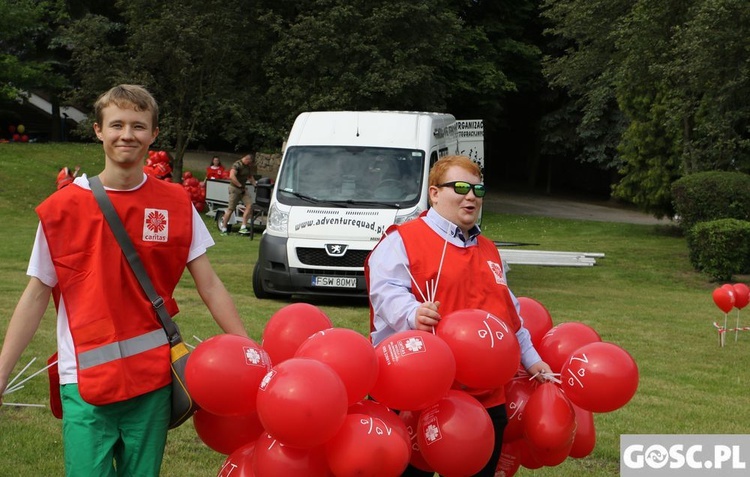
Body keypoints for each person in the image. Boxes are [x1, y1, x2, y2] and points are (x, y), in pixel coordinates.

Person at [0, 84, 249, 476]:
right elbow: (36, 294)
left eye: (138, 125)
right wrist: (2, 370)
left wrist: (249, 349)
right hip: (83, 379)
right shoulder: (61, 209)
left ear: (153, 134)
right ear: (98, 130)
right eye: (116, 124)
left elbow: (211, 284)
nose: (126, 134)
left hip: (151, 380)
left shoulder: (176, 203)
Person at [366, 155, 552, 477]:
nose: (471, 196)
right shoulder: (403, 239)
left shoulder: (490, 250)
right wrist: (411, 314)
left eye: (478, 189)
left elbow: (509, 315)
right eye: (461, 187)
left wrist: (533, 359)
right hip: (416, 394)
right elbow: (384, 292)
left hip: (485, 402)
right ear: (434, 193)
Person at [220, 153, 257, 235]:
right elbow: (232, 176)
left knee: (250, 205)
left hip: (243, 189)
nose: (250, 164)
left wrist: (255, 185)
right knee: (231, 209)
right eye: (250, 162)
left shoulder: (248, 166)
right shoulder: (237, 164)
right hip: (235, 188)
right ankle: (224, 228)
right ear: (247, 159)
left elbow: (250, 177)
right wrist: (239, 185)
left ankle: (243, 227)